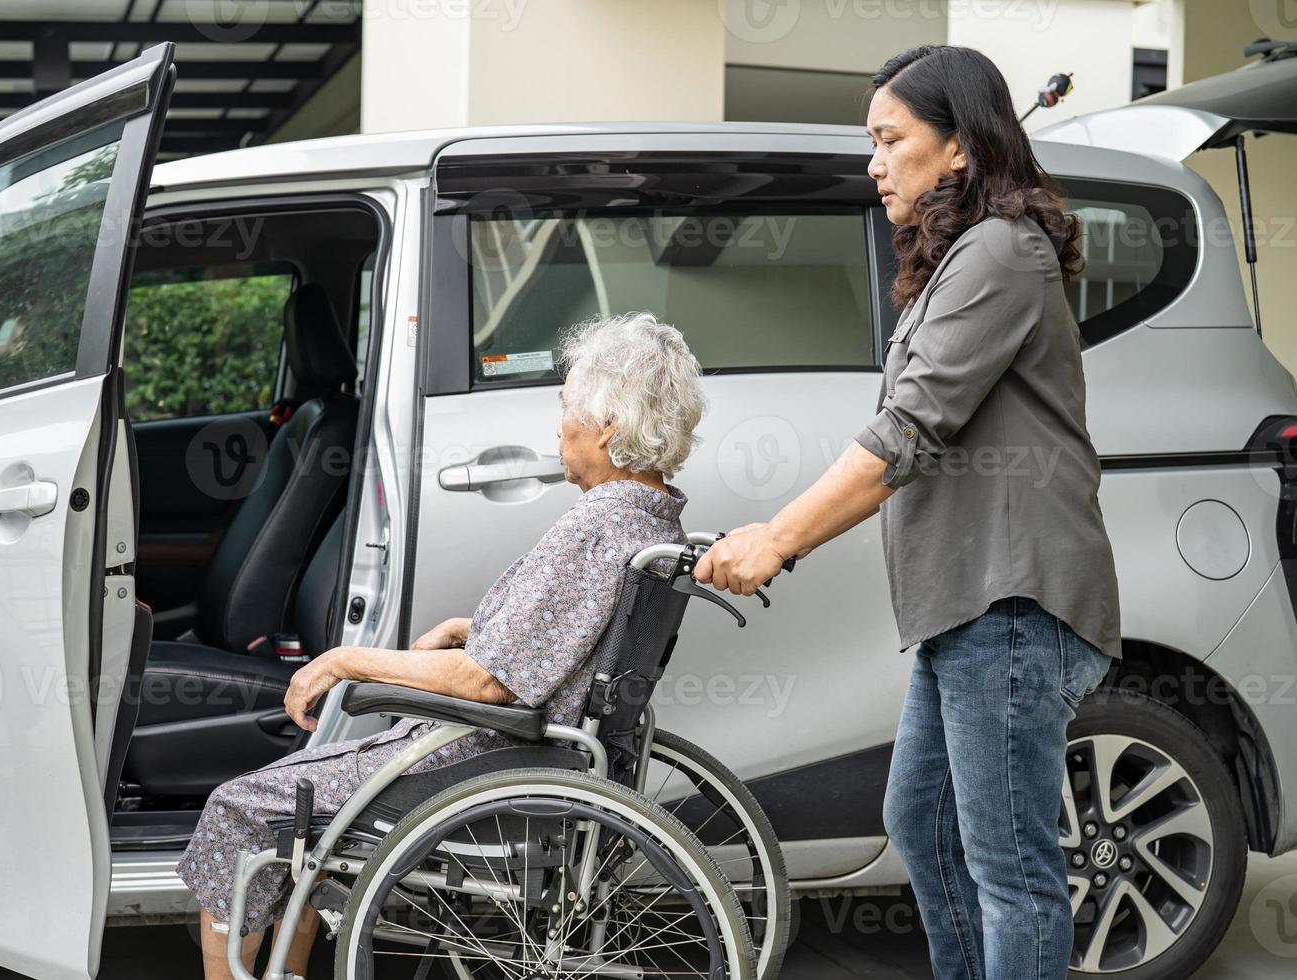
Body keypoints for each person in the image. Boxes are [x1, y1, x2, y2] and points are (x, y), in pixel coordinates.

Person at [693, 44, 1120, 980]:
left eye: (892, 139)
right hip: (964, 604)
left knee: (1012, 867)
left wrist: (777, 537)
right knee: (921, 827)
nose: (874, 162)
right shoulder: (966, 255)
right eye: (872, 142)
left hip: (1012, 598)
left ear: (959, 148)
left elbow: (906, 432)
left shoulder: (1004, 252)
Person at [177, 310, 706, 980]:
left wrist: (342, 660)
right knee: (297, 819)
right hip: (522, 745)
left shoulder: (597, 530)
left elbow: (490, 683)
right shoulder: (647, 516)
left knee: (241, 807)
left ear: (606, 427)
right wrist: (468, 626)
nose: (558, 425)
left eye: (566, 408)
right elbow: (549, 641)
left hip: (487, 755)